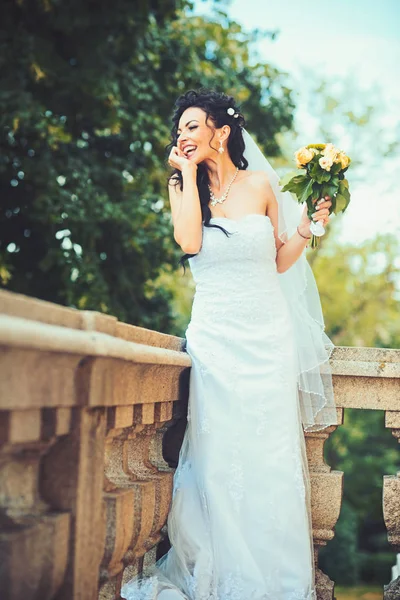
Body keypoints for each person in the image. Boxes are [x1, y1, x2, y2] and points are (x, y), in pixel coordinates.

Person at [121, 89, 338, 600]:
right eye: (180, 130)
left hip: (268, 337)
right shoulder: (182, 187)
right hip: (215, 339)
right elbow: (190, 242)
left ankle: (275, 580)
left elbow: (280, 260)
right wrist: (189, 176)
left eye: (193, 127)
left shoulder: (262, 184)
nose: (183, 135)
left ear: (221, 132)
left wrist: (306, 227)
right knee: (218, 455)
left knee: (269, 454)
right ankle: (220, 571)